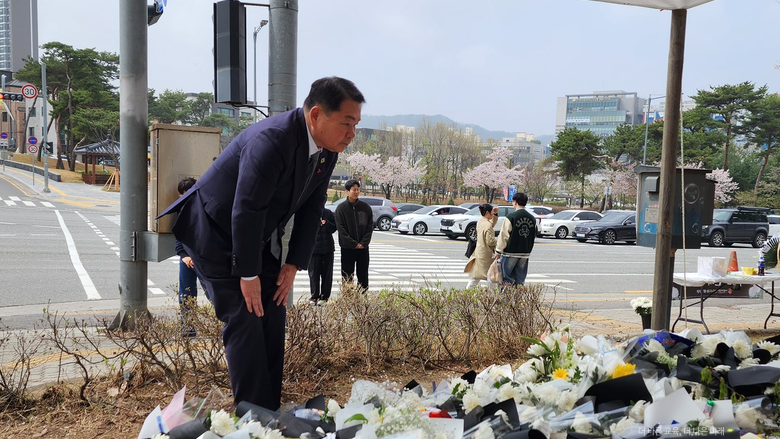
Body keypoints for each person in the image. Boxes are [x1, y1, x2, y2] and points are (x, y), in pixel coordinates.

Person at [157, 77, 365, 410]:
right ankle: (253, 419)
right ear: (316, 115)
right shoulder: (274, 139)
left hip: (249, 234)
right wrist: (249, 274)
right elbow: (247, 208)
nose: (352, 134)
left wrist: (293, 265)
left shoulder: (327, 152)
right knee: (244, 314)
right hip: (212, 229)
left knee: (273, 306)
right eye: (347, 123)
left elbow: (312, 208)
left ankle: (268, 411)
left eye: (356, 124)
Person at [175, 177, 210, 336]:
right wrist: (183, 255)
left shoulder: (206, 208)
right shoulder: (181, 209)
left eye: (187, 193)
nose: (184, 197)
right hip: (186, 259)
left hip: (202, 258)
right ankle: (188, 329)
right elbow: (178, 236)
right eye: (182, 194)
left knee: (212, 292)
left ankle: (227, 325)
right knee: (186, 295)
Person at [334, 179, 373, 291]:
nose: (356, 192)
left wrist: (363, 243)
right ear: (347, 191)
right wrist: (353, 244)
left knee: (363, 274)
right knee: (347, 275)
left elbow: (369, 227)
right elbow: (341, 230)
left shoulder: (365, 207)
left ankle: (362, 298)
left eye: (358, 189)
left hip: (363, 248)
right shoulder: (341, 209)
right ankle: (348, 299)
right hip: (347, 248)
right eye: (353, 190)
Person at [495, 192, 536, 285]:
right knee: (520, 280)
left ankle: (506, 299)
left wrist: (498, 251)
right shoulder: (532, 218)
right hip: (525, 253)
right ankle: (518, 298)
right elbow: (533, 236)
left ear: (515, 202)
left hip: (510, 252)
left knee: (506, 279)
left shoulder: (511, 217)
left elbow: (504, 235)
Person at [465, 204, 499, 288]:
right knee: (491, 276)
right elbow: (490, 241)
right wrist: (500, 240)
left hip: (479, 252)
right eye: (491, 212)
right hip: (486, 254)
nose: (492, 213)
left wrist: (494, 215)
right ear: (487, 213)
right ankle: (493, 296)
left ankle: (467, 292)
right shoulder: (487, 225)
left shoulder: (481, 221)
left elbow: (491, 224)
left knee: (476, 276)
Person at [308, 207, 336, 305]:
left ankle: (324, 297)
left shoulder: (328, 213)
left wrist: (327, 223)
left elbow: (334, 228)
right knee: (313, 274)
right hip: (313, 249)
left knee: (327, 274)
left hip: (327, 249)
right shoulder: (309, 212)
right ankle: (314, 296)